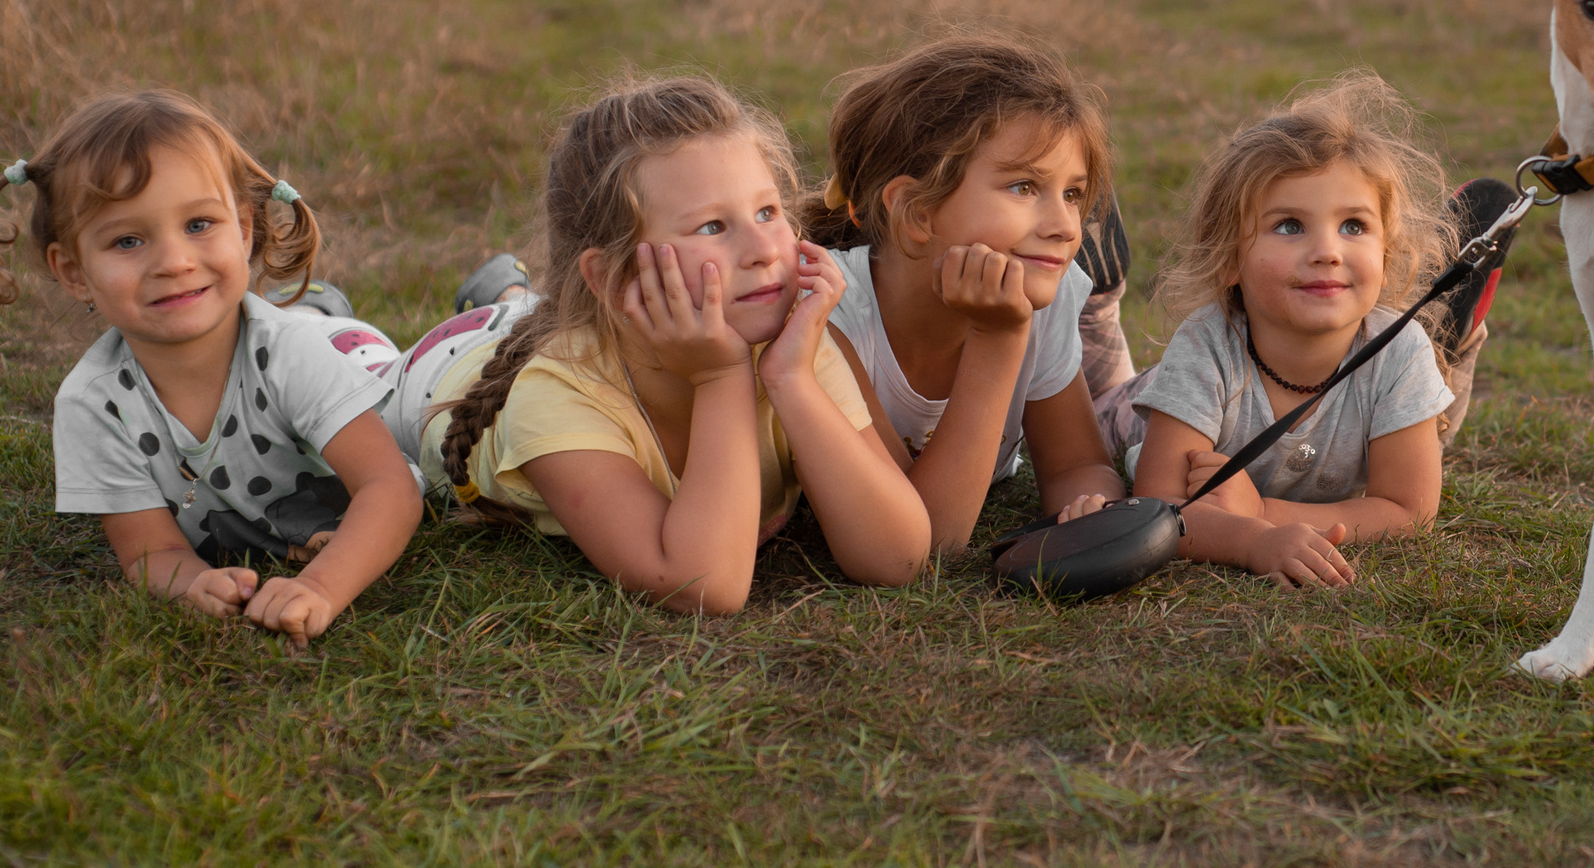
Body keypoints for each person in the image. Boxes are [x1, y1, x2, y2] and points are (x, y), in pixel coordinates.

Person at [427, 74, 930, 613]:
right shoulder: (554, 397)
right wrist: (719, 376)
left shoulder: (792, 347)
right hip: (445, 368)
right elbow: (704, 586)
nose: (763, 249)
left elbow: (896, 556)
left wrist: (792, 380)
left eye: (767, 212)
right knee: (408, 347)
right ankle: (463, 301)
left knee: (525, 310)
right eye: (713, 226)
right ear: (613, 277)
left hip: (578, 323)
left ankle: (510, 291)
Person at [0, 91, 421, 643]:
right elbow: (151, 551)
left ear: (244, 230)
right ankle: (315, 301)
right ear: (75, 272)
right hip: (289, 336)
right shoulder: (94, 404)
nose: (174, 262)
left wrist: (320, 586)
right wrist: (192, 582)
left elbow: (390, 489)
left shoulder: (291, 354)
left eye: (199, 224)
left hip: (352, 357)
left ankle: (456, 294)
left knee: (401, 369)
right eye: (128, 240)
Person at [1058, 73, 1509, 588]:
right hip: (1132, 414)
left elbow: (1410, 510)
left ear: (1386, 255)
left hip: (1387, 368)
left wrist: (1263, 512)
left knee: (1417, 388)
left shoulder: (1397, 350)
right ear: (1230, 259)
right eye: (1290, 226)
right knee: (1097, 403)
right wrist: (1251, 543)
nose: (1327, 251)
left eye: (1354, 226)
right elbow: (1162, 509)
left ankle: (1448, 344)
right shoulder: (1205, 346)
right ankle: (1092, 290)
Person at [798, 35, 1133, 552]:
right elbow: (926, 533)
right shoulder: (830, 316)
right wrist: (998, 340)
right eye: (1024, 186)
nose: (1067, 226)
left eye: (1072, 194)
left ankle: (1102, 302)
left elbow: (1077, 464)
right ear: (917, 211)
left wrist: (1092, 510)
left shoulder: (1044, 294)